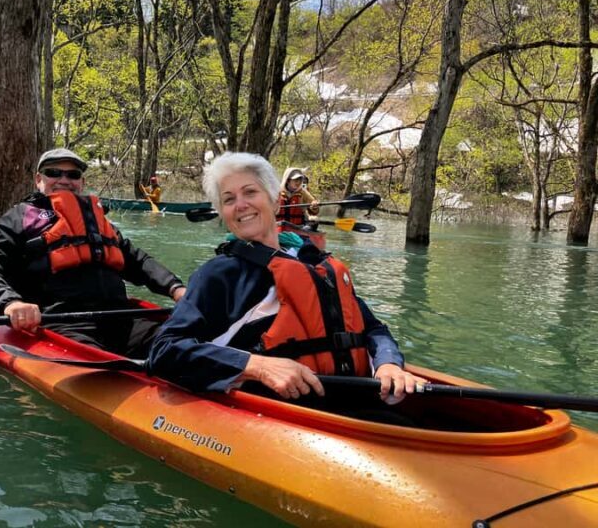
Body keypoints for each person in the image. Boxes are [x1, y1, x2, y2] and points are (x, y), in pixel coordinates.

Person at [148, 152, 422, 404]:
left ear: (275, 200)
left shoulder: (314, 262)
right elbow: (165, 350)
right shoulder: (220, 274)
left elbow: (372, 328)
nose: (241, 205)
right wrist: (256, 366)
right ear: (223, 213)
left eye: (250, 192)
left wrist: (388, 363)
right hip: (285, 412)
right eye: (229, 199)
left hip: (354, 397)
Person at [0, 147, 187, 357]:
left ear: (81, 182)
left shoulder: (98, 220)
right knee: (99, 371)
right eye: (53, 173)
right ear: (38, 179)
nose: (64, 180)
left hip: (122, 320)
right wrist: (10, 303)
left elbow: (137, 261)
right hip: (62, 324)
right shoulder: (18, 219)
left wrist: (176, 289)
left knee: (181, 346)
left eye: (73, 174)